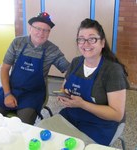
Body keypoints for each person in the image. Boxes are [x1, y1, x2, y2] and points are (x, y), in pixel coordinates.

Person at [37, 18, 129, 146]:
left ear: (102, 42)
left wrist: (82, 104)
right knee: (40, 134)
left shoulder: (113, 70)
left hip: (99, 126)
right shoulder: (76, 62)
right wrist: (63, 95)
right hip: (71, 117)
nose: (85, 44)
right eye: (81, 39)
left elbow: (117, 114)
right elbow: (64, 88)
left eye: (92, 39)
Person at [0, 12, 70, 125]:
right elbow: (4, 69)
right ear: (30, 28)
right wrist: (7, 94)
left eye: (46, 30)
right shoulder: (17, 43)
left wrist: (65, 86)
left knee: (23, 124)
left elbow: (70, 70)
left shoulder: (52, 50)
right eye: (38, 28)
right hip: (11, 88)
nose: (41, 33)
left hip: (33, 93)